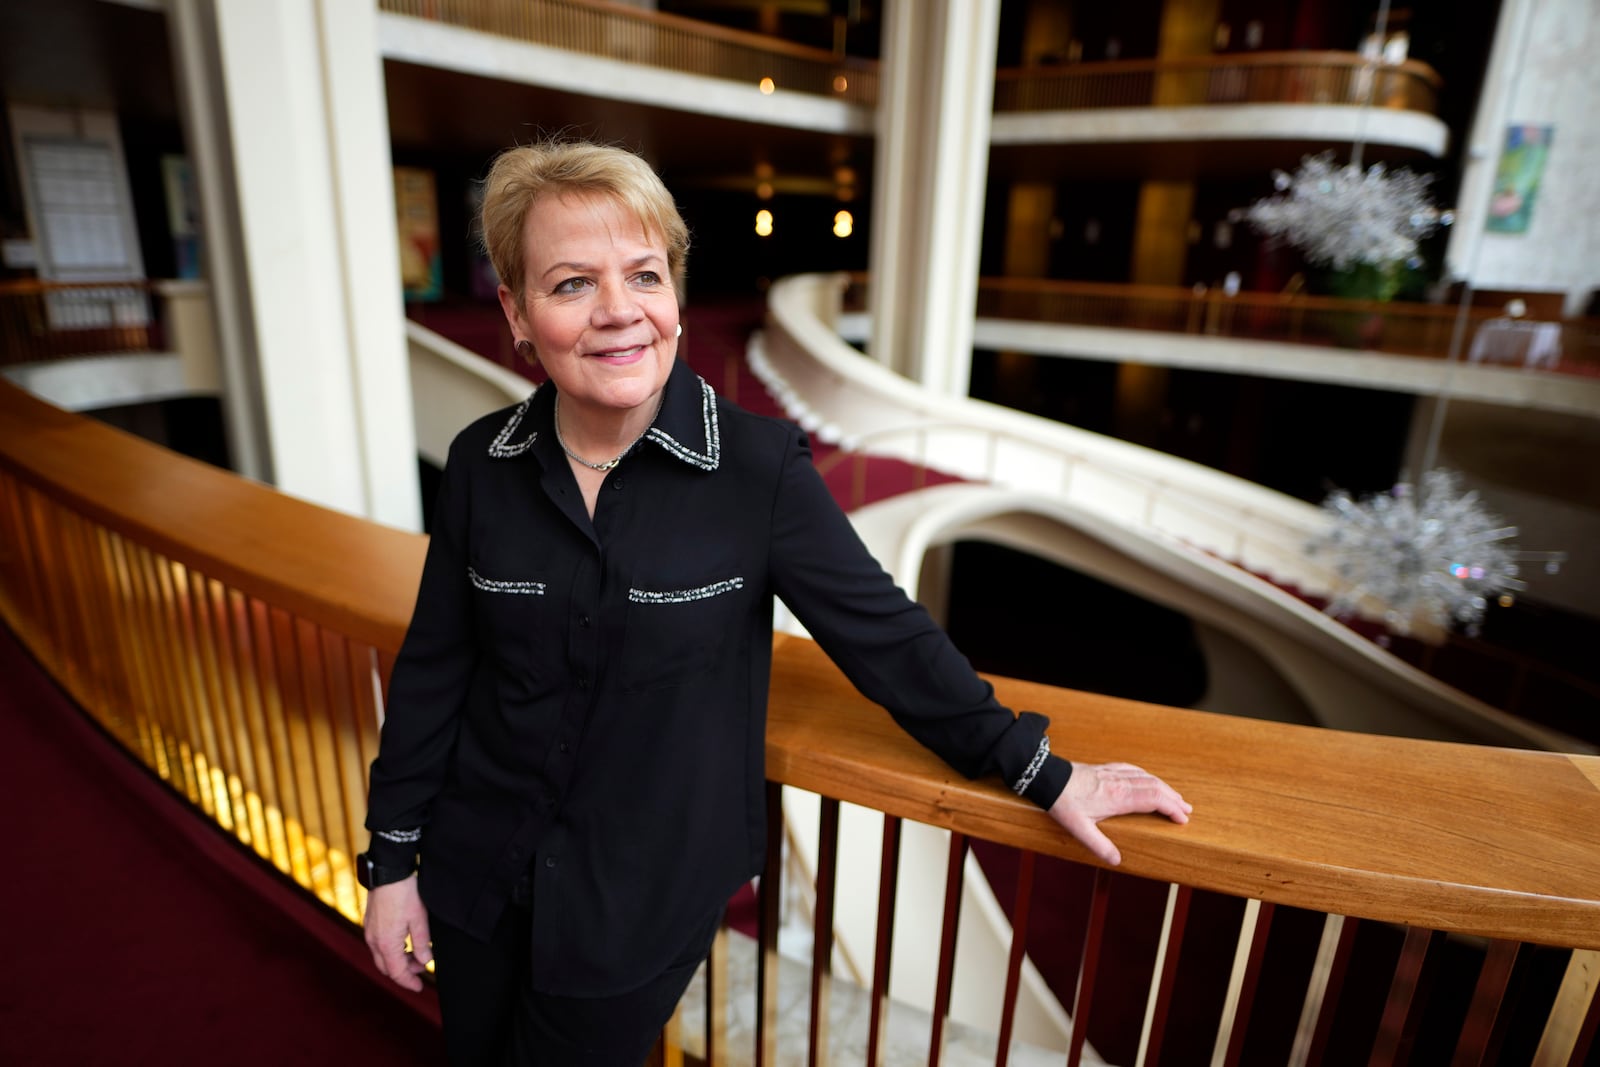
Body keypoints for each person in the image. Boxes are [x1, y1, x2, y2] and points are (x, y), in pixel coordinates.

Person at [360, 140, 1191, 1065]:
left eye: (644, 273)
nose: (619, 312)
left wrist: (1041, 771)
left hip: (635, 901)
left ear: (675, 291)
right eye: (570, 284)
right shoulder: (483, 461)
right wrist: (391, 864)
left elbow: (886, 636)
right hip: (474, 873)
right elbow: (438, 666)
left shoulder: (758, 469)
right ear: (515, 311)